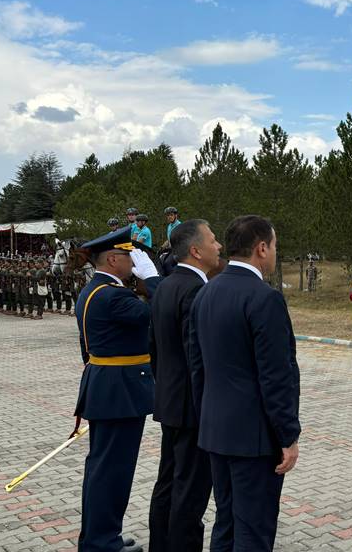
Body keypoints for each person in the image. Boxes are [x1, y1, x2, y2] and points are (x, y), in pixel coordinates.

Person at [187, 215, 300, 552]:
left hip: (216, 432)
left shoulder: (205, 294)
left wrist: (206, 420)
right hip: (255, 439)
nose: (276, 253)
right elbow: (276, 377)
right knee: (254, 529)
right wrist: (288, 435)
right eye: (275, 246)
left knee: (227, 522)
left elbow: (198, 370)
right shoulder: (265, 298)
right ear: (261, 248)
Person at [73, 226, 162, 552]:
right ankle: (101, 542)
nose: (134, 261)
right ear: (113, 259)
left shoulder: (94, 290)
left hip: (107, 388)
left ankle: (100, 535)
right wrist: (153, 280)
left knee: (103, 468)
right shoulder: (113, 295)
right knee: (112, 471)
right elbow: (160, 312)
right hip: (119, 392)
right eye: (129, 255)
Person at [148, 219, 221, 552]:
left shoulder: (164, 285)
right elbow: (197, 358)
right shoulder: (196, 289)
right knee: (189, 493)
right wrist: (209, 409)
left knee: (167, 484)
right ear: (195, 250)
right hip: (192, 409)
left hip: (170, 402)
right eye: (213, 240)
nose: (218, 246)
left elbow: (155, 349)